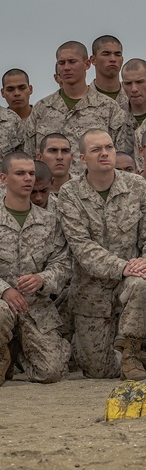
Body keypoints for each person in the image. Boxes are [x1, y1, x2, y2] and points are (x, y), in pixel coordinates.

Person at [59, 129, 146, 379]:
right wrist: (123, 266)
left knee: (139, 284)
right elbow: (82, 246)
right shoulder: (70, 194)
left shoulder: (137, 187)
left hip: (130, 282)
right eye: (96, 150)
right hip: (91, 289)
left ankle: (132, 354)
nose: (105, 153)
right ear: (82, 158)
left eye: (109, 147)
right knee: (98, 371)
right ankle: (131, 357)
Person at [0, 152, 73, 386]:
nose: (28, 179)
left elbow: (62, 263)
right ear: (3, 179)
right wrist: (4, 290)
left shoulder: (50, 221)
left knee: (51, 373)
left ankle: (17, 353)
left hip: (36, 306)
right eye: (20, 174)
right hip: (3, 303)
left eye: (31, 173)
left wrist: (43, 278)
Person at [25, 41, 131, 174]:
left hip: (92, 188)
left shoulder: (109, 108)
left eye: (72, 62)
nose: (66, 68)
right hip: (48, 190)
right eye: (61, 63)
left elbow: (120, 157)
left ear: (87, 64)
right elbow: (28, 157)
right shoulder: (41, 109)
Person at [89, 35, 126, 109]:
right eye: (106, 54)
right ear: (93, 60)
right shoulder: (81, 100)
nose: (113, 59)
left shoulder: (134, 98)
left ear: (122, 60)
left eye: (117, 54)